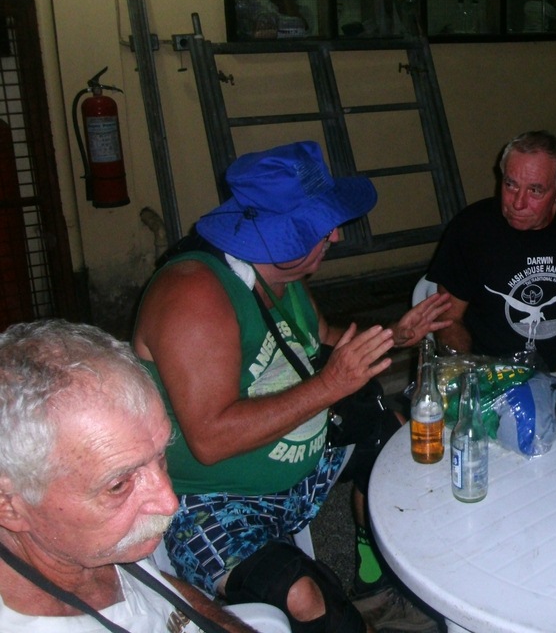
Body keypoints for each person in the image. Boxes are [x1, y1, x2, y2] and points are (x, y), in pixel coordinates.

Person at [132, 141, 451, 633]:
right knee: (306, 599)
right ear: (279, 233)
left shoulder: (280, 271)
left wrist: (396, 336)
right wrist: (328, 386)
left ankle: (376, 579)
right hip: (213, 500)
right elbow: (210, 438)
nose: (336, 235)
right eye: (321, 227)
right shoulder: (193, 295)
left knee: (398, 436)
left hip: (299, 463)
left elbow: (319, 340)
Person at [0, 319, 289, 633]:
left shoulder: (88, 545)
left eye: (161, 456)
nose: (169, 502)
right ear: (9, 506)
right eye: (119, 485)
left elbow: (157, 590)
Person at [428, 130, 556, 371]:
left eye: (535, 190)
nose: (518, 203)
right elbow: (448, 319)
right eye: (510, 185)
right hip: (491, 374)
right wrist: (468, 373)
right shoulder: (470, 229)